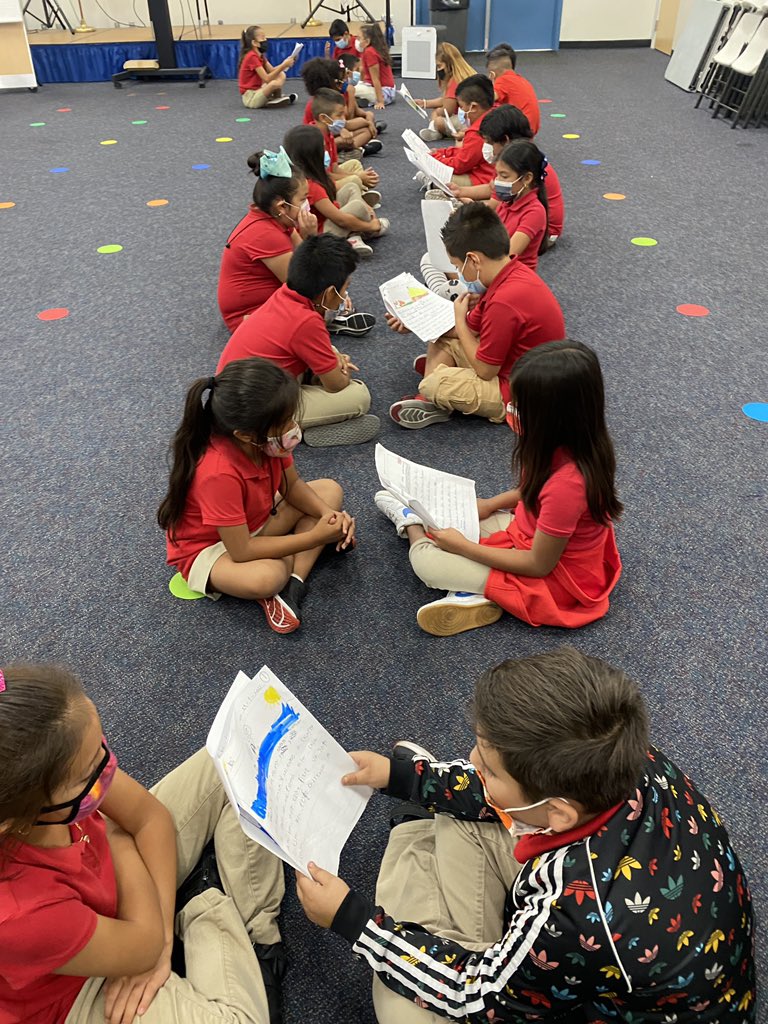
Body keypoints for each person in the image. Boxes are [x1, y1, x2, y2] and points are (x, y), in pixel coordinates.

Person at [295, 648, 757, 1023]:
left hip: (579, 968)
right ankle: (421, 845)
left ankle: (419, 867)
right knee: (466, 814)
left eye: (488, 767)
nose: (473, 761)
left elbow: (476, 997)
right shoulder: (622, 755)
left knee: (402, 1011)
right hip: (629, 935)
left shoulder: (576, 915)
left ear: (557, 813)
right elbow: (509, 797)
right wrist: (404, 776)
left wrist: (353, 921)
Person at [0, 662, 289, 1024]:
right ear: (17, 819)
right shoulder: (18, 914)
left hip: (122, 900)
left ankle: (253, 936)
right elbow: (142, 943)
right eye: (89, 772)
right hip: (73, 989)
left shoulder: (63, 758)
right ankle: (209, 905)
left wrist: (163, 938)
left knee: (239, 756)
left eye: (100, 745)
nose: (108, 768)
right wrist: (120, 841)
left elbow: (149, 817)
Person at [378, 340, 622, 633]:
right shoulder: (566, 445)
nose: (511, 410)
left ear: (550, 417)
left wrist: (463, 547)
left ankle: (410, 524)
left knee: (427, 562)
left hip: (553, 579)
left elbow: (537, 565)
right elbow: (530, 491)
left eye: (519, 406)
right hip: (530, 535)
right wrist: (491, 504)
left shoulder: (569, 485)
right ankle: (476, 595)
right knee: (455, 520)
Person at [158, 358, 355, 633]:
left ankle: (294, 584)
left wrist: (327, 515)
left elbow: (292, 485)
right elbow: (241, 551)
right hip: (212, 549)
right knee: (268, 577)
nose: (292, 426)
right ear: (247, 435)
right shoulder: (218, 473)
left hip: (255, 520)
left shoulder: (269, 444)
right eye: (284, 421)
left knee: (329, 491)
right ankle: (286, 572)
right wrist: (315, 537)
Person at [391, 203, 565, 430]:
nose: (459, 273)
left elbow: (485, 370)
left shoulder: (504, 300)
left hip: (521, 391)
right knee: (441, 335)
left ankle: (436, 390)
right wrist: (414, 322)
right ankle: (442, 386)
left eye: (457, 265)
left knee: (433, 384)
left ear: (473, 260)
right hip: (512, 365)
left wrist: (460, 321)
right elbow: (467, 328)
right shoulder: (505, 273)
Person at [217, 237, 380, 449]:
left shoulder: (285, 293)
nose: (344, 296)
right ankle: (296, 431)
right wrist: (340, 371)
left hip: (236, 394)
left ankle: (299, 423)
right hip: (254, 413)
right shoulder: (307, 320)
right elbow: (336, 385)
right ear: (330, 292)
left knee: (329, 353)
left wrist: (332, 361)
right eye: (345, 288)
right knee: (358, 396)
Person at [453, 104, 564, 242]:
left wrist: (469, 210)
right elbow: (492, 188)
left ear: (505, 140)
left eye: (489, 142)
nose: (487, 147)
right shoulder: (510, 159)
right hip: (520, 216)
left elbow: (496, 206)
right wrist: (461, 191)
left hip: (543, 231)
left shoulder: (520, 164)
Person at [284, 125, 388, 260]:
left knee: (351, 187)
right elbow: (340, 219)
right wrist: (371, 226)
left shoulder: (304, 175)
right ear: (313, 154)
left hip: (323, 220)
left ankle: (355, 231)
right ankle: (355, 234)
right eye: (323, 147)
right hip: (319, 235)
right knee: (357, 206)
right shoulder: (311, 186)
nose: (327, 150)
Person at [299, 57, 382, 156]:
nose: (343, 83)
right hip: (319, 141)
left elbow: (350, 119)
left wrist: (367, 122)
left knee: (365, 130)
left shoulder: (336, 97)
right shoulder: (317, 103)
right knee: (354, 133)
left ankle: (350, 149)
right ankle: (350, 151)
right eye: (339, 81)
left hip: (333, 134)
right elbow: (343, 122)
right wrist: (366, 123)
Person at [488, 139, 550, 271]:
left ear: (527, 178)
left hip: (509, 275)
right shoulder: (508, 201)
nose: (496, 181)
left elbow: (507, 257)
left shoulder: (535, 212)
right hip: (494, 267)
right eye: (497, 175)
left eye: (504, 176)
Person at [427, 75, 496, 187]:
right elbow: (467, 153)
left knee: (430, 175)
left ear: (473, 107)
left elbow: (459, 166)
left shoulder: (476, 132)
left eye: (461, 106)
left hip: (483, 179)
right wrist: (443, 153)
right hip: (492, 175)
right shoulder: (495, 115)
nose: (461, 110)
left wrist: (435, 158)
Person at [311, 89, 381, 196]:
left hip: (328, 177)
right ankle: (357, 194)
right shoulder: (314, 140)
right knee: (354, 179)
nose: (343, 120)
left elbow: (334, 168)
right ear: (323, 118)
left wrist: (358, 175)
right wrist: (357, 176)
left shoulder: (328, 134)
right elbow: (323, 176)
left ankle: (358, 192)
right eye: (339, 115)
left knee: (355, 164)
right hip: (319, 184)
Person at [414, 42, 477, 141]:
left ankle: (435, 130)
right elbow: (448, 99)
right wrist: (425, 103)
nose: (438, 70)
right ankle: (436, 131)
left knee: (438, 120)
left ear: (449, 64)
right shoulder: (466, 74)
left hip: (468, 120)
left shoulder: (454, 81)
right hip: (477, 117)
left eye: (439, 66)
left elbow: (448, 110)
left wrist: (435, 113)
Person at [237, 25, 298, 110]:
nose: (265, 40)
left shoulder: (260, 56)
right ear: (254, 43)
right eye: (262, 38)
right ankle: (275, 99)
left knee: (280, 75)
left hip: (258, 90)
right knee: (273, 83)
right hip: (251, 97)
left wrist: (287, 63)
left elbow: (272, 70)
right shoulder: (251, 57)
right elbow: (267, 78)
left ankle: (276, 99)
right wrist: (284, 65)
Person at [485, 44, 540, 134]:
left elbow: (488, 99)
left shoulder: (503, 80)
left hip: (520, 130)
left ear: (492, 73)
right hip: (530, 127)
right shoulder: (520, 80)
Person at [354, 22, 396, 109]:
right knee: (353, 87)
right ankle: (364, 100)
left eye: (359, 38)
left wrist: (380, 102)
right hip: (386, 90)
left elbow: (375, 78)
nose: (356, 41)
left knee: (349, 90)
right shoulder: (369, 50)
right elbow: (362, 72)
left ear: (367, 41)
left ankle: (368, 100)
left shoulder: (370, 52)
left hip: (385, 93)